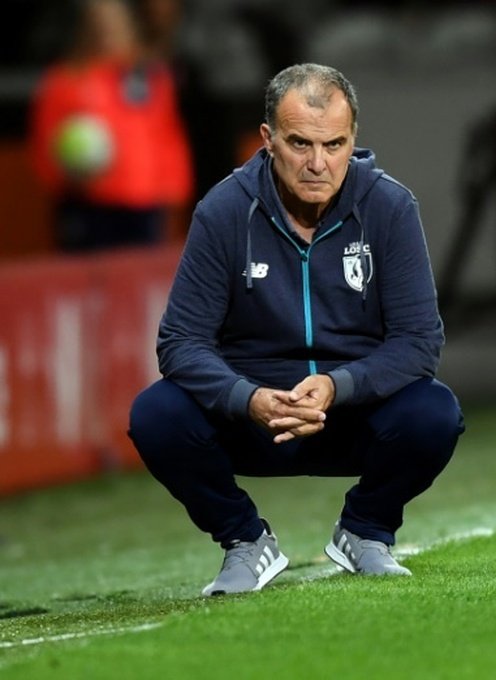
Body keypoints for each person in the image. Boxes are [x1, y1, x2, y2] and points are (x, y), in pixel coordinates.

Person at [128, 63, 464, 595]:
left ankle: (365, 531)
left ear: (353, 138)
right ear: (267, 140)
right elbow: (180, 342)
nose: (317, 163)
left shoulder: (390, 208)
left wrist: (338, 386)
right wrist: (248, 398)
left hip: (349, 415)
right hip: (255, 419)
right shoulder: (223, 211)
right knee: (155, 414)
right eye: (299, 143)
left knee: (435, 412)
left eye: (334, 144)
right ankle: (245, 541)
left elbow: (419, 342)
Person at [28, 0, 193, 252]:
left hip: (145, 205)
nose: (107, 34)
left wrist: (173, 189)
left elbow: (165, 135)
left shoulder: (150, 76)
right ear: (83, 31)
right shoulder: (63, 80)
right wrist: (65, 178)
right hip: (89, 204)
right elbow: (45, 146)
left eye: (114, 26)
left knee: (142, 280)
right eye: (99, 27)